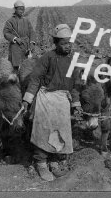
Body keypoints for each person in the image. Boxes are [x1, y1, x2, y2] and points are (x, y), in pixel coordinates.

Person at [22, 24, 82, 181]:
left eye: (69, 43)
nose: (67, 46)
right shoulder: (47, 58)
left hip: (63, 100)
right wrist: (27, 100)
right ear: (56, 43)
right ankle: (41, 163)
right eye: (63, 43)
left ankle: (54, 162)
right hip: (46, 98)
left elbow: (75, 85)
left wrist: (76, 104)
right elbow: (35, 79)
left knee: (60, 131)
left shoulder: (73, 61)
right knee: (44, 130)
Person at [3, 0, 36, 72]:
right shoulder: (10, 21)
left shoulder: (26, 20)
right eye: (20, 9)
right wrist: (15, 38)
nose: (22, 11)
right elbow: (6, 33)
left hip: (26, 45)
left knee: (26, 65)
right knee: (16, 66)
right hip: (15, 46)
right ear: (15, 9)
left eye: (23, 9)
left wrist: (32, 42)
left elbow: (32, 32)